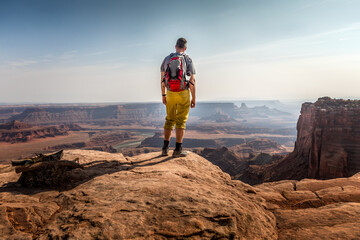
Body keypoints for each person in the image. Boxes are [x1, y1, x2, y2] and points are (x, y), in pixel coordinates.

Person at [160, 38, 196, 157]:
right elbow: (192, 81)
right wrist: (193, 98)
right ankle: (177, 150)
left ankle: (165, 149)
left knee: (169, 119)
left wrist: (163, 95)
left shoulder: (167, 59)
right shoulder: (188, 59)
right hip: (183, 92)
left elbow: (162, 80)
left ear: (175, 46)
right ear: (185, 48)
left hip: (170, 93)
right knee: (181, 121)